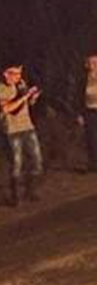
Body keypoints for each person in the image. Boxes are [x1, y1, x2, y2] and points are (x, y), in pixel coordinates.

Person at [1, 63, 43, 206]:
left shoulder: (21, 84)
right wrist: (24, 97)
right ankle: (16, 196)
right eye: (14, 73)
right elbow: (7, 108)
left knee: (37, 161)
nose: (18, 77)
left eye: (19, 74)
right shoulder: (2, 89)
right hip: (12, 131)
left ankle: (31, 191)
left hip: (28, 127)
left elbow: (26, 104)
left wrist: (32, 98)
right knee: (17, 164)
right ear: (5, 74)